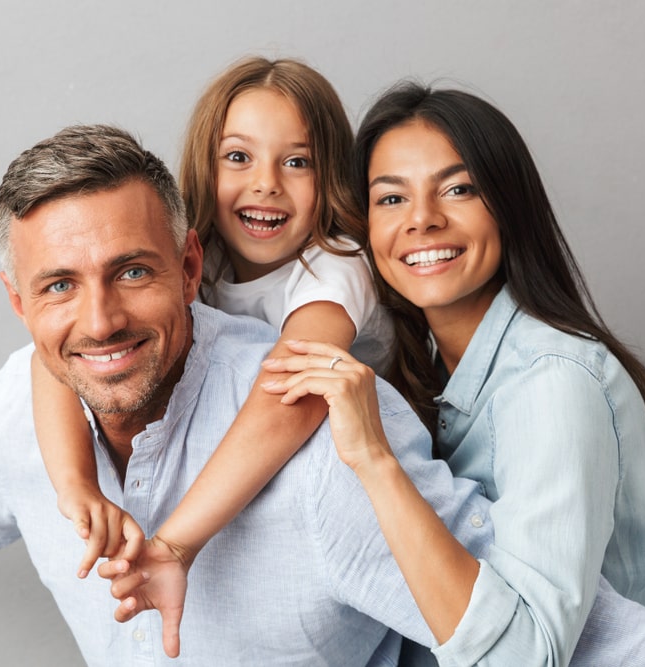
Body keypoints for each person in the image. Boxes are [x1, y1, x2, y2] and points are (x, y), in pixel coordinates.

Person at [0, 123, 645, 667]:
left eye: (133, 271)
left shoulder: (330, 447)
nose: (99, 319)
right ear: (18, 302)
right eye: (59, 285)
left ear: (190, 264)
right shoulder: (27, 403)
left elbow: (568, 637)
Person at [261, 82, 645, 665]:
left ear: (509, 204)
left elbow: (523, 656)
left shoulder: (553, 382)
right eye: (391, 199)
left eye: (458, 189)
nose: (422, 220)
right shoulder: (427, 370)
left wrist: (375, 460)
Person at [30, 57, 393, 583]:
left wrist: (176, 545)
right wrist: (78, 488)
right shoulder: (198, 254)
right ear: (206, 165)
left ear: (330, 175)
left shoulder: (337, 263)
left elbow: (291, 393)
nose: (266, 183)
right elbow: (53, 360)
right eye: (239, 157)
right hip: (234, 448)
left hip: (338, 469)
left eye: (297, 162)